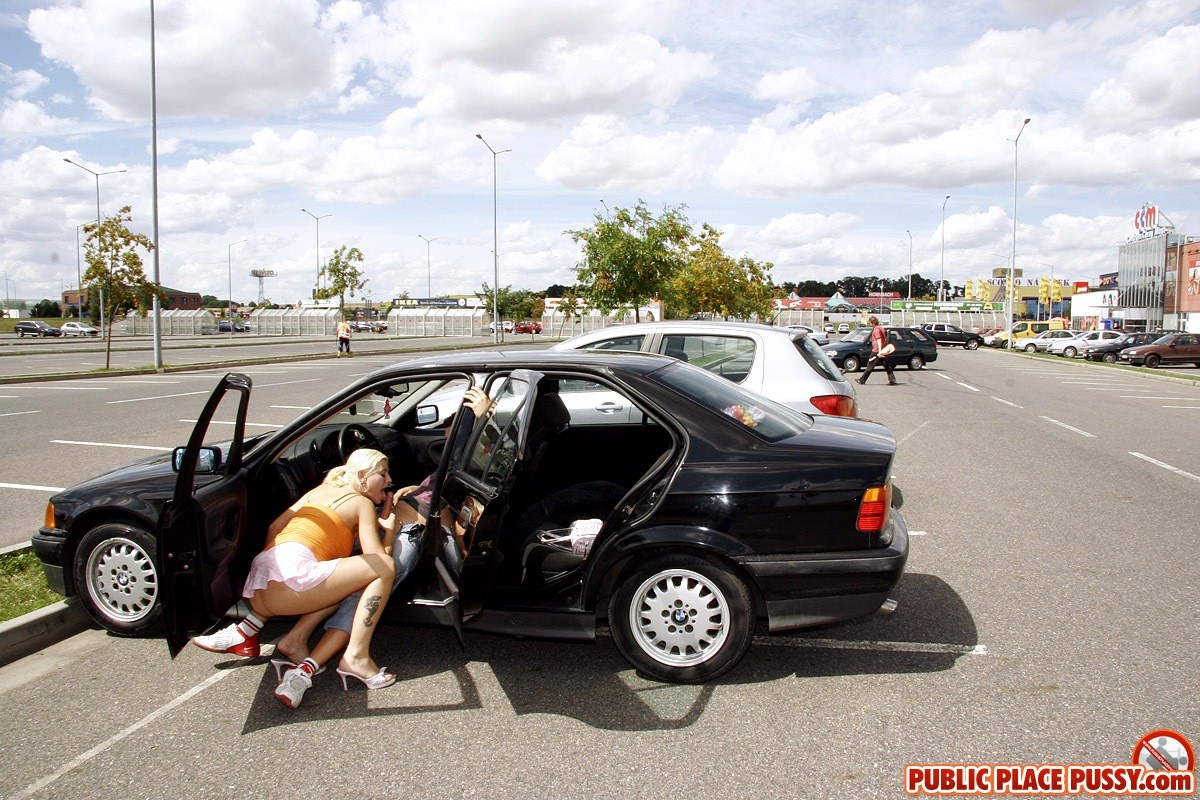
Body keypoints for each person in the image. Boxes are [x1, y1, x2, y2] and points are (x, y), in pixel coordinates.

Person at [268, 386, 494, 708]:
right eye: (449, 427)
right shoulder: (444, 469)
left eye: (454, 428)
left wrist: (484, 422)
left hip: (409, 534)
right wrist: (409, 491)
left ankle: (312, 663)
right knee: (345, 579)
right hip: (389, 525)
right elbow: (439, 482)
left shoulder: (465, 465)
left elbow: (475, 461)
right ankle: (302, 642)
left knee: (362, 590)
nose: (445, 432)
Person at [191, 447, 399, 705]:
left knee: (337, 582)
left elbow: (274, 527)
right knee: (385, 567)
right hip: (293, 586)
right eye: (383, 473)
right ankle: (357, 657)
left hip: (261, 582)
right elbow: (378, 560)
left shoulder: (318, 491)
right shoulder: (362, 503)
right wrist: (389, 529)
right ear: (362, 476)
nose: (389, 480)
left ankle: (258, 631)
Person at [857, 315, 897, 385]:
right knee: (886, 365)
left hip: (877, 350)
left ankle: (862, 380)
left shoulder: (876, 330)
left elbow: (879, 340)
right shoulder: (881, 328)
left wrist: (880, 351)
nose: (869, 324)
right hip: (881, 349)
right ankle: (892, 380)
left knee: (870, 365)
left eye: (870, 322)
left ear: (872, 322)